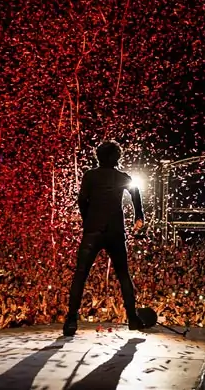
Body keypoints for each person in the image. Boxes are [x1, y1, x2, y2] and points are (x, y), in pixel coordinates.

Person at [63, 141, 145, 336]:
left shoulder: (90, 176)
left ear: (98, 157)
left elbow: (82, 200)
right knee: (123, 274)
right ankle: (132, 317)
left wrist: (88, 219)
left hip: (93, 230)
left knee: (81, 275)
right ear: (116, 158)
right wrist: (138, 216)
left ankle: (71, 320)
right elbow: (135, 192)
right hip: (115, 231)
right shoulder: (121, 177)